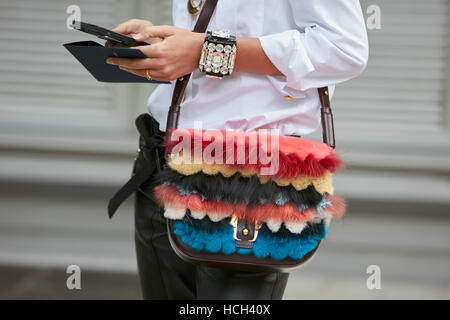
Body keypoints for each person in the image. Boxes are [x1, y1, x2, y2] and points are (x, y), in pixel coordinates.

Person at [106, 0, 368, 299]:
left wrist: (206, 49)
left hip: (250, 178)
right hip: (163, 158)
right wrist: (169, 46)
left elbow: (344, 49)